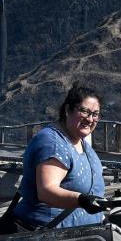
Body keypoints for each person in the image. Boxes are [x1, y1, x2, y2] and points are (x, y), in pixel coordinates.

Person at [12, 83, 108, 229]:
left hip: (82, 238)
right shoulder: (53, 143)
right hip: (46, 239)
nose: (90, 119)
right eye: (84, 111)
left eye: (95, 114)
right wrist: (81, 200)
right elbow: (47, 191)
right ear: (68, 109)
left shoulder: (82, 144)